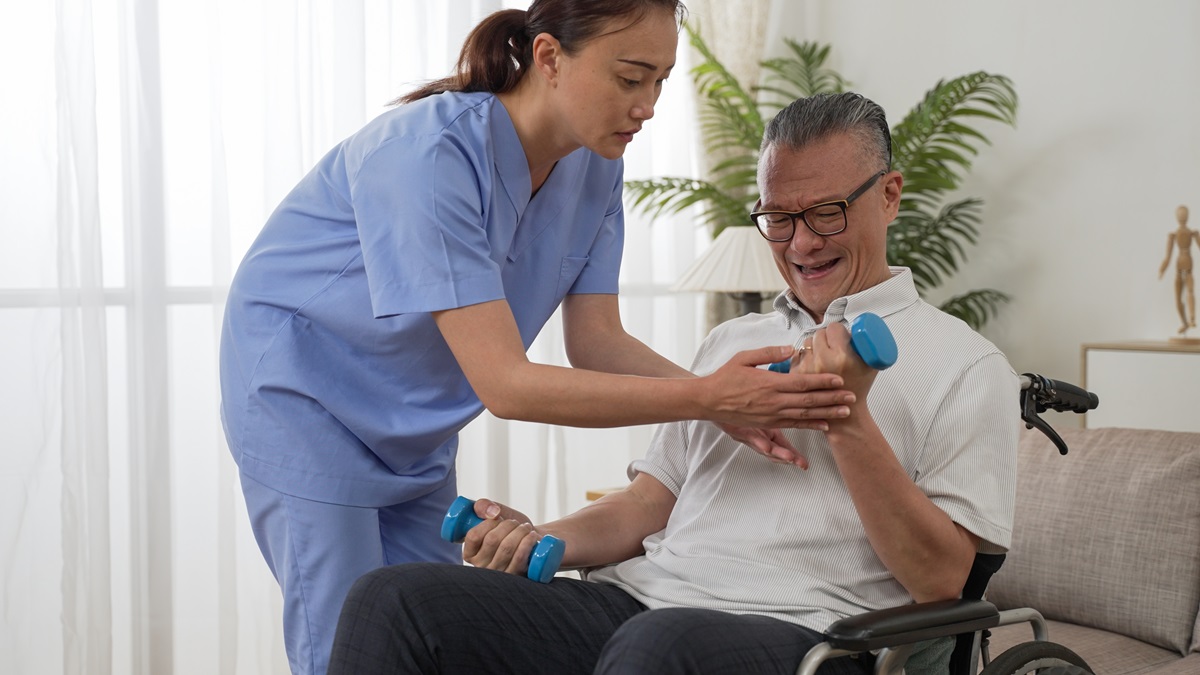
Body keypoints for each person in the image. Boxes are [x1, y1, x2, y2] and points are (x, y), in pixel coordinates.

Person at [218, 2, 859, 673]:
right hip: (303, 394)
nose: (648, 106)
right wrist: (709, 399)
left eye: (662, 81)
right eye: (631, 78)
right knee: (344, 636)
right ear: (549, 57)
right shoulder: (423, 156)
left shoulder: (596, 167)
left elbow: (598, 343)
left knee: (419, 634)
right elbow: (505, 383)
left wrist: (728, 403)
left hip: (411, 422)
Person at [324, 92, 1021, 675]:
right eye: (779, 219)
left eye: (826, 213)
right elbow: (644, 508)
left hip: (811, 631)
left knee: (659, 647)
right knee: (392, 599)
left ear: (890, 196)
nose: (802, 242)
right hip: (643, 606)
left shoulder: (967, 367)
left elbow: (941, 581)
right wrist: (543, 537)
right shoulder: (732, 344)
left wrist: (845, 415)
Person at [1159, 204, 1200, 335]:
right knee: (1178, 299)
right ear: (1176, 217)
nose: (1182, 217)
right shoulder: (1173, 235)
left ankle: (1192, 318)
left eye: (1184, 215)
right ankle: (1185, 322)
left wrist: (1198, 237)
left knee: (1190, 290)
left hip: (1187, 265)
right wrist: (1162, 269)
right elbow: (1167, 257)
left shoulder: (1192, 233)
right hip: (1179, 267)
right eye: (1180, 215)